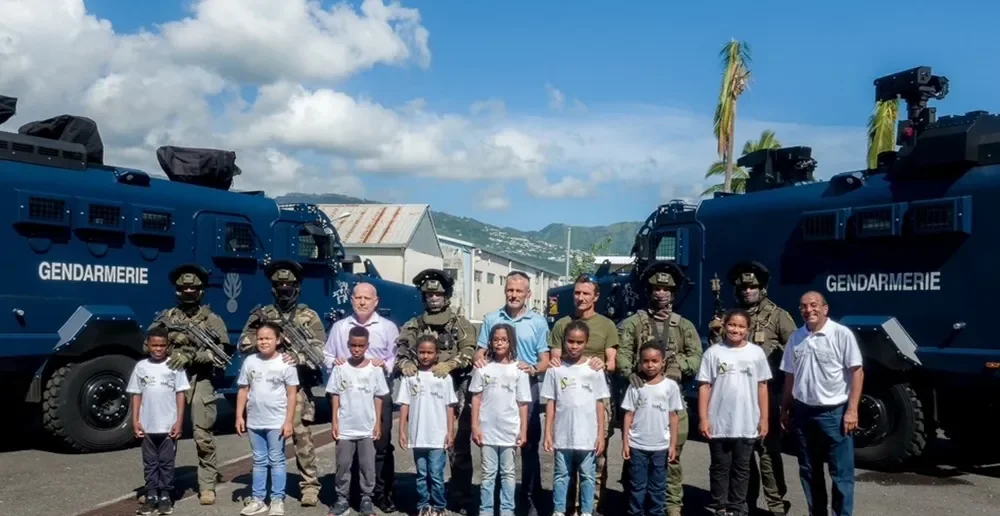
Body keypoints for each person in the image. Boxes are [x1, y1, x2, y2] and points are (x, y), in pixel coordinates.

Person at [616, 260, 702, 516]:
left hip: (672, 405)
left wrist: (678, 368)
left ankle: (672, 506)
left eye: (666, 290)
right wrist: (630, 372)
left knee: (671, 461)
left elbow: (696, 356)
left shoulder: (683, 326)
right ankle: (633, 505)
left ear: (673, 293)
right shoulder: (633, 323)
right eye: (656, 288)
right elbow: (622, 353)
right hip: (641, 403)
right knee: (634, 460)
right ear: (649, 291)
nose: (661, 293)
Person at [709, 261, 796, 516]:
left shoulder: (778, 316)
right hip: (737, 398)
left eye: (753, 287)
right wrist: (715, 332)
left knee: (767, 453)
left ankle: (776, 505)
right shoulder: (731, 318)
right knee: (742, 456)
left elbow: (795, 350)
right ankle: (745, 503)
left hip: (767, 393)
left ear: (762, 288)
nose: (748, 291)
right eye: (744, 287)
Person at [238, 259, 326, 507]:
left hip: (297, 388)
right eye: (279, 285)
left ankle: (309, 486)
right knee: (267, 443)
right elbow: (243, 343)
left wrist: (298, 356)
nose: (284, 289)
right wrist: (270, 343)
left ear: (297, 287)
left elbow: (320, 352)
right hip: (267, 387)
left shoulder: (309, 316)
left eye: (289, 285)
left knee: (301, 437)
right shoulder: (263, 315)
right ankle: (264, 491)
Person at [148, 263, 231, 505]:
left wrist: (193, 356)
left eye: (193, 288)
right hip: (170, 380)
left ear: (201, 290)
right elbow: (148, 345)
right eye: (184, 288)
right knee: (164, 434)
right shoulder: (167, 318)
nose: (188, 292)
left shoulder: (212, 320)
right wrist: (173, 350)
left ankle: (207, 485)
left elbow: (223, 354)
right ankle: (162, 486)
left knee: (203, 435)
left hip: (200, 379)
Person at [394, 268, 477, 514]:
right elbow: (401, 350)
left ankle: (460, 494)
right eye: (429, 295)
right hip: (424, 394)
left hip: (454, 390)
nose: (433, 298)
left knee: (457, 445)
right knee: (426, 452)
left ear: (446, 295)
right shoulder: (414, 325)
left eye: (438, 294)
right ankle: (426, 500)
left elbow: (470, 350)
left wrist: (452, 363)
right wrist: (405, 364)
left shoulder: (459, 323)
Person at [472, 270, 551, 516]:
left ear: (528, 294)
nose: (514, 295)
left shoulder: (538, 321)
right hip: (496, 386)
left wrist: (533, 368)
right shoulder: (492, 318)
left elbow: (545, 360)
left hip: (526, 385)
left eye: (519, 291)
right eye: (510, 290)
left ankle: (528, 498)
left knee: (527, 445)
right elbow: (480, 351)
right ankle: (491, 504)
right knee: (495, 454)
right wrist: (478, 360)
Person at [780, 292, 864, 516]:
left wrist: (852, 410)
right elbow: (790, 375)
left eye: (814, 305)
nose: (809, 310)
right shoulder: (796, 338)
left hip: (834, 414)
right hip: (803, 413)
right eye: (803, 306)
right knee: (809, 471)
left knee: (841, 475)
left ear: (825, 308)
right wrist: (785, 407)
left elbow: (857, 372)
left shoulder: (841, 334)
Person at [324, 281, 400, 513]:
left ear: (376, 301)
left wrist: (384, 364)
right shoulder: (339, 327)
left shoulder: (387, 327)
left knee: (381, 445)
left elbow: (396, 357)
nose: (362, 302)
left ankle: (380, 494)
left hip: (377, 392)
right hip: (346, 391)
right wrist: (334, 361)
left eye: (367, 298)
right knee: (347, 448)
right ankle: (349, 495)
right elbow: (327, 355)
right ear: (351, 300)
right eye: (358, 297)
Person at [547, 274, 618, 514]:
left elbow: (612, 362)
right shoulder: (562, 325)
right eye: (577, 292)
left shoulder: (606, 325)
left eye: (586, 293)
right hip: (567, 393)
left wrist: (601, 363)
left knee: (596, 455)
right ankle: (567, 505)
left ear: (596, 296)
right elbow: (556, 359)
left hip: (595, 395)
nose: (580, 297)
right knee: (566, 457)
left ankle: (591, 506)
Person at [697, 308, 773, 516]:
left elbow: (762, 386)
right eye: (732, 325)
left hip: (746, 422)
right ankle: (719, 506)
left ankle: (737, 507)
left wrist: (764, 418)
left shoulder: (756, 353)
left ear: (748, 329)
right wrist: (704, 418)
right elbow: (704, 386)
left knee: (742, 468)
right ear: (724, 325)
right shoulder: (713, 353)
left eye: (741, 326)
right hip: (719, 422)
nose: (735, 330)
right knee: (720, 467)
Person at [542, 320, 612, 516]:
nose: (574, 346)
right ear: (564, 341)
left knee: (588, 476)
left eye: (579, 342)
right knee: (561, 474)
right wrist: (548, 433)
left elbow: (600, 403)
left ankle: (587, 511)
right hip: (563, 434)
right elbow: (551, 403)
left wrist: (600, 434)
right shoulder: (555, 369)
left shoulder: (594, 370)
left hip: (587, 436)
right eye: (570, 341)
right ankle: (559, 510)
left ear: (586, 342)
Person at [235, 322, 299, 516]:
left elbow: (292, 394)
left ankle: (277, 499)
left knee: (277, 459)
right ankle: (258, 499)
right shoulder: (250, 361)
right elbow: (243, 390)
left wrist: (288, 421)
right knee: (259, 460)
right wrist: (239, 416)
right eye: (260, 338)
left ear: (278, 340)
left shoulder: (286, 363)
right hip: (255, 421)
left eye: (268, 338)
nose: (264, 342)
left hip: (276, 421)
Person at [327, 326, 391, 516]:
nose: (356, 349)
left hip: (367, 427)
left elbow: (379, 396)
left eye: (360, 346)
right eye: (353, 345)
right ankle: (342, 499)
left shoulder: (375, 370)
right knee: (343, 464)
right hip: (345, 427)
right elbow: (335, 395)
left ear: (367, 346)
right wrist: (335, 422)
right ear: (348, 345)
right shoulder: (340, 368)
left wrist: (377, 423)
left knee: (367, 465)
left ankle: (366, 499)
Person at [469, 323, 532, 516]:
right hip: (487, 430)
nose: (499, 343)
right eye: (495, 339)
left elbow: (523, 403)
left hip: (509, 431)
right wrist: (475, 426)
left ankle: (507, 510)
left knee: (508, 473)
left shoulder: (519, 370)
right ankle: (486, 510)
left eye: (504, 339)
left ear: (511, 342)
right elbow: (476, 398)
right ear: (490, 342)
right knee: (488, 473)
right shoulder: (483, 368)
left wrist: (523, 431)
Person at [128, 327, 191, 516]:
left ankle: (165, 497)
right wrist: (135, 420)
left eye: (162, 345)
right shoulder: (141, 367)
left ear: (168, 346)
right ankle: (151, 496)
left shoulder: (174, 365)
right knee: (150, 463)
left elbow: (181, 394)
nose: (158, 349)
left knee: (166, 463)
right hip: (147, 426)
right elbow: (136, 394)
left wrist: (179, 421)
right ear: (147, 345)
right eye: (154, 345)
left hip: (168, 426)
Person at [395, 335, 460, 516]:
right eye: (422, 352)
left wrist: (450, 432)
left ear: (436, 354)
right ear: (416, 353)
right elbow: (404, 405)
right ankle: (423, 505)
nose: (425, 356)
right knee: (422, 474)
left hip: (438, 436)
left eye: (429, 352)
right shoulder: (410, 377)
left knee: (436, 474)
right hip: (418, 435)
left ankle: (439, 506)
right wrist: (402, 431)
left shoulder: (444, 378)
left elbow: (449, 407)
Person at [621, 341, 683, 516]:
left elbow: (673, 416)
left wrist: (673, 445)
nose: (650, 365)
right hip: (637, 445)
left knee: (658, 486)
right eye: (646, 361)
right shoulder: (635, 386)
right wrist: (625, 443)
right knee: (637, 486)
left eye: (655, 361)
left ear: (663, 362)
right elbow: (628, 415)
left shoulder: (670, 386)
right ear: (640, 362)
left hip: (660, 447)